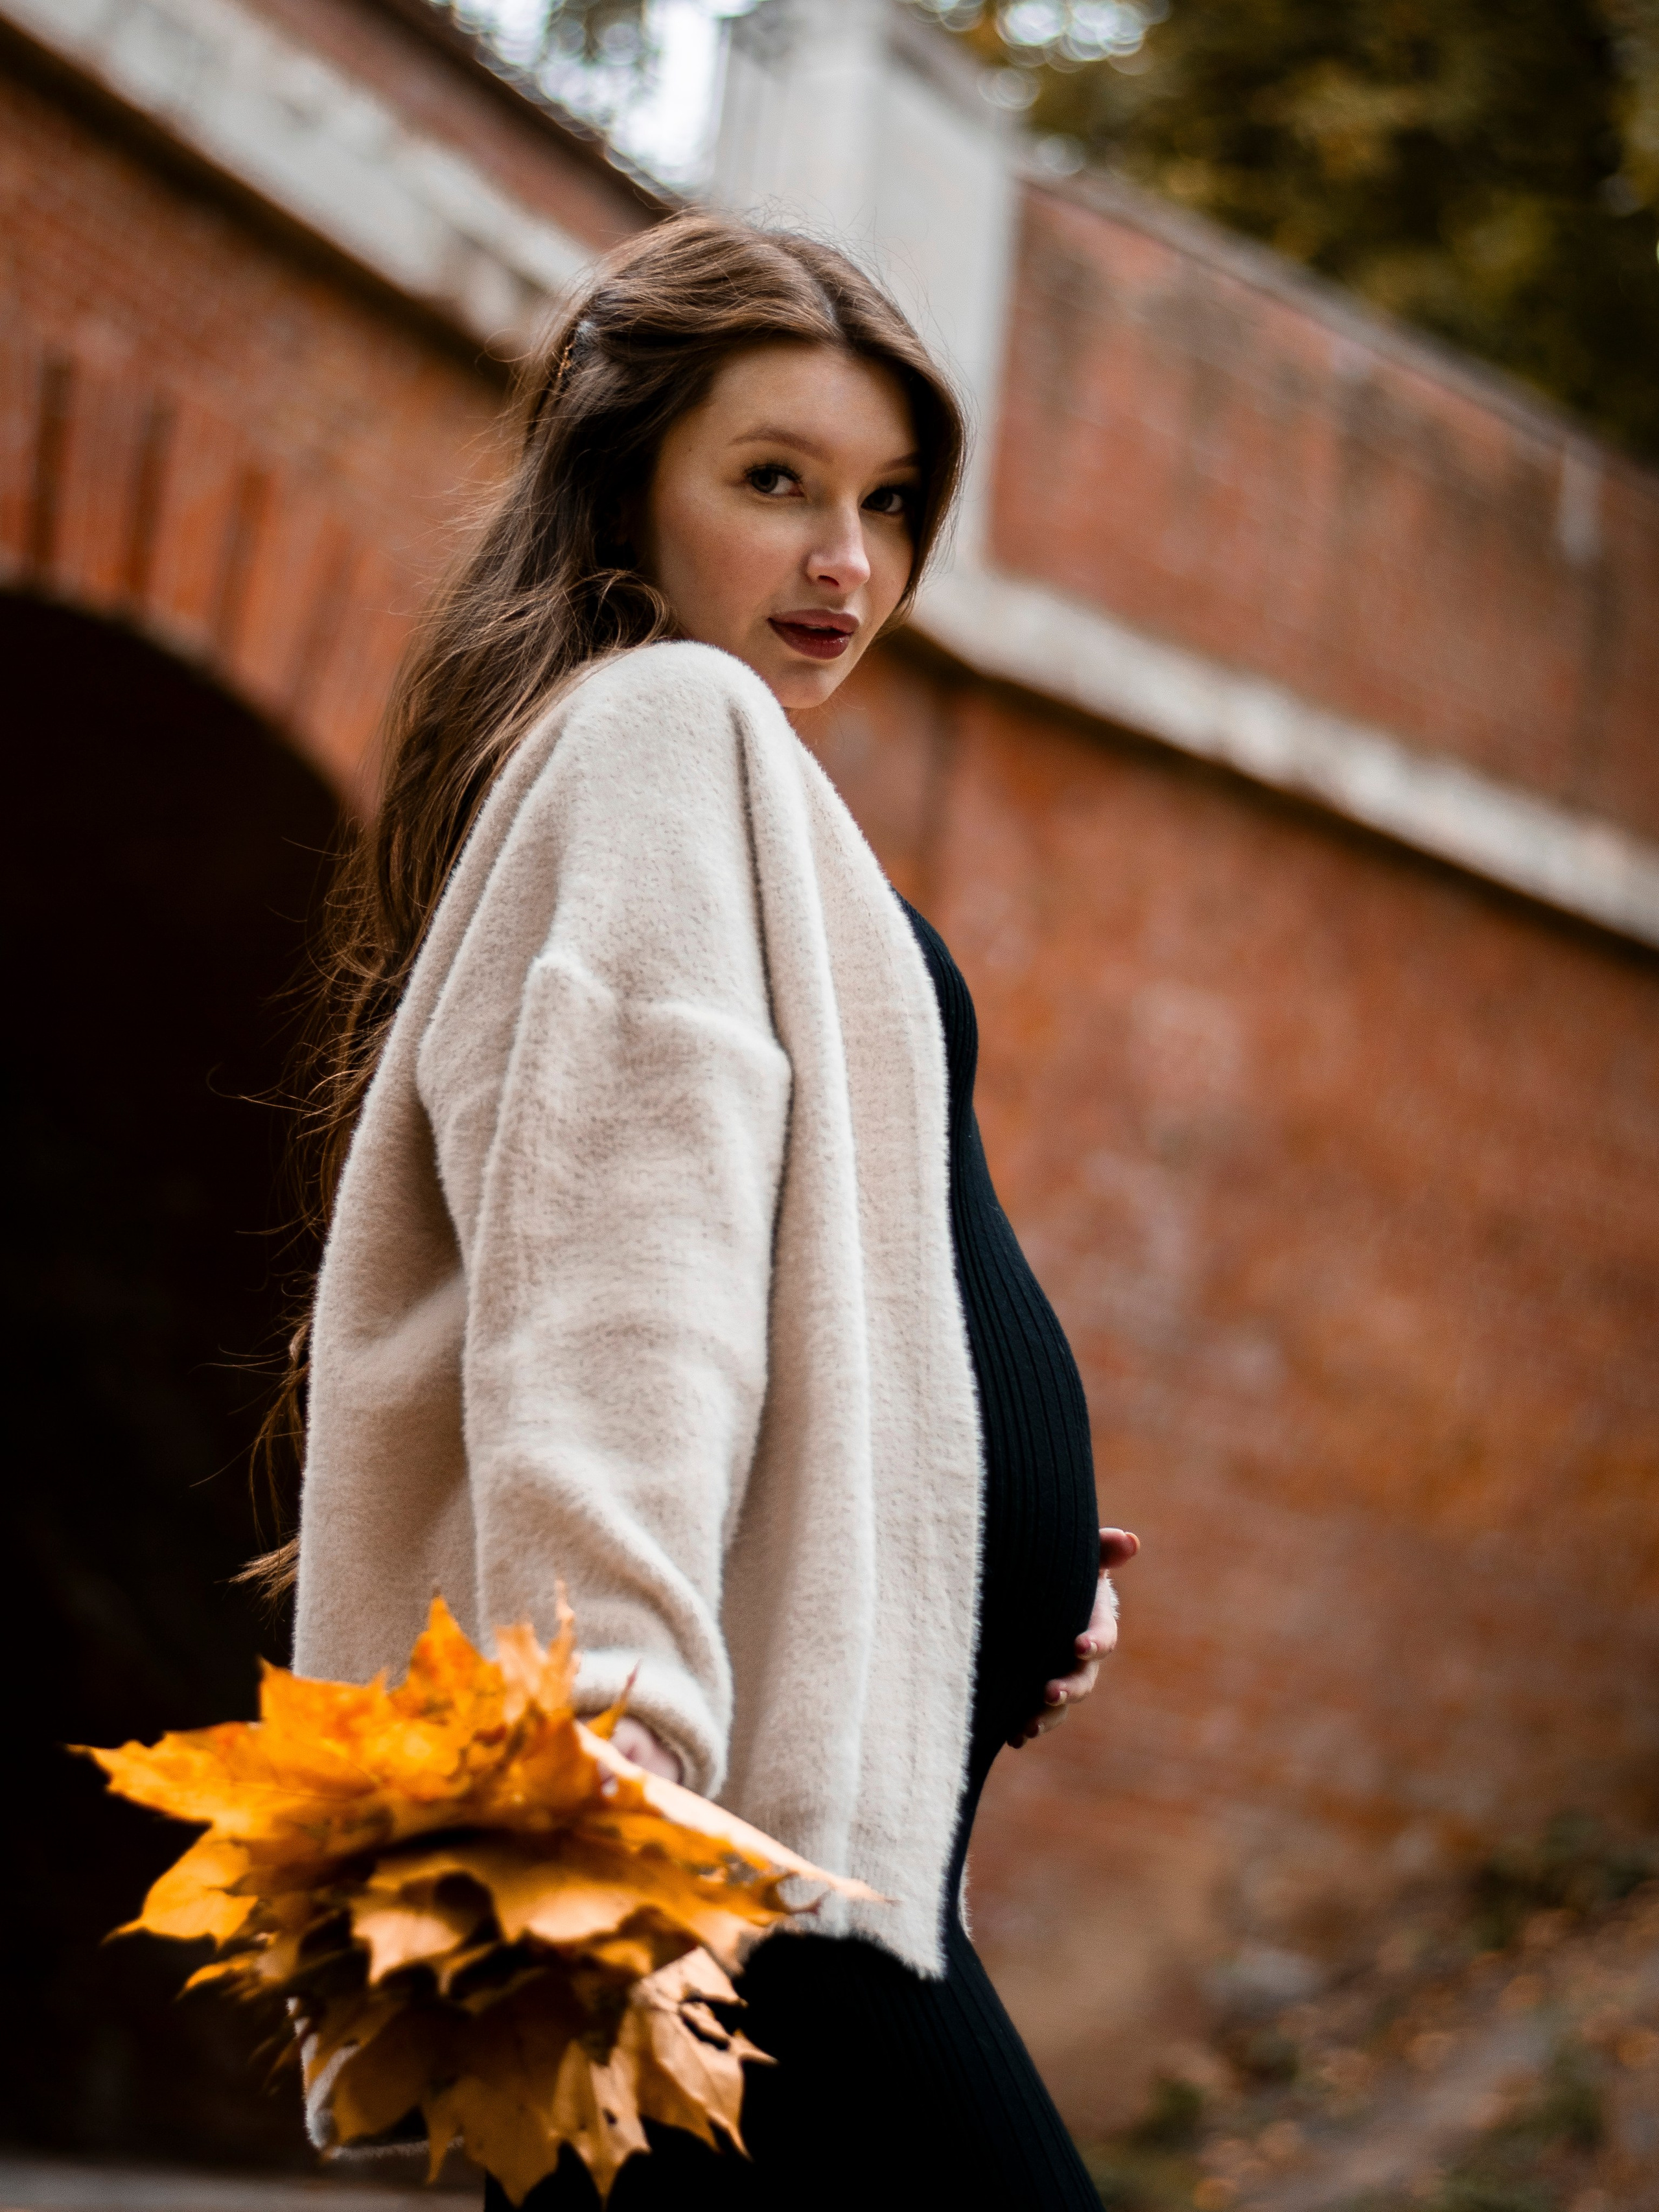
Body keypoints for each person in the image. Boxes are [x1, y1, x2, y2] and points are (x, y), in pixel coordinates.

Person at [268, 211, 1139, 2207]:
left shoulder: (713, 784)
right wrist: (612, 1745)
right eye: (777, 485)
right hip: (724, 1881)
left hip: (786, 1863)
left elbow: (797, 1295)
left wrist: (966, 1545)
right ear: (624, 495)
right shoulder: (669, 731)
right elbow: (616, 1276)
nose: (850, 564)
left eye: (891, 502)